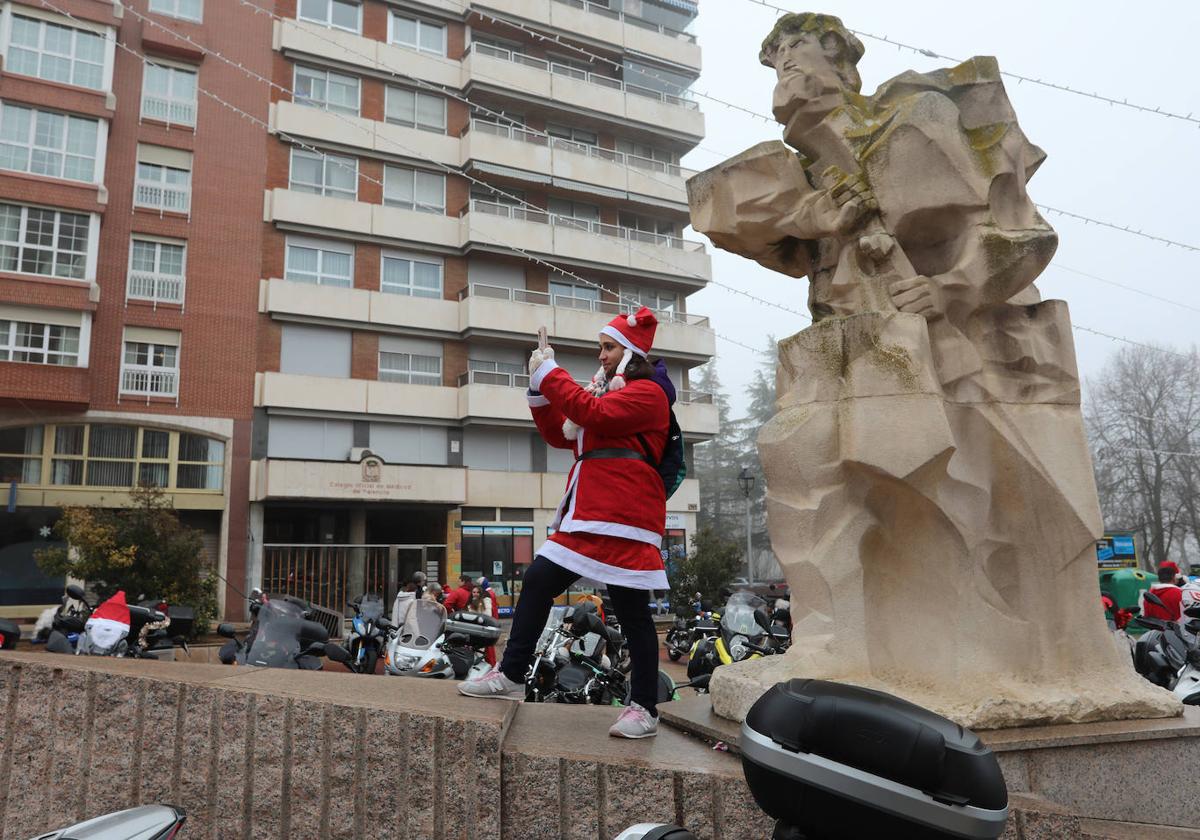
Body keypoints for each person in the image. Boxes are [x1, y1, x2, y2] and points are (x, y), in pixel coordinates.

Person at [459, 307, 672, 739]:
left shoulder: (648, 394)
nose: (601, 355)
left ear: (631, 350)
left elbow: (591, 414)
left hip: (624, 514)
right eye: (601, 347)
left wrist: (551, 374)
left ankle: (644, 708)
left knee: (632, 614)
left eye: (609, 347)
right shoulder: (605, 394)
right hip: (588, 511)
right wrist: (539, 387)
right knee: (538, 580)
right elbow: (562, 434)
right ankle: (513, 675)